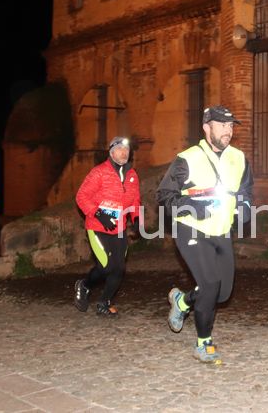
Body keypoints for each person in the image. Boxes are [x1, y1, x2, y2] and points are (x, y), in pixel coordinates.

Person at [157, 105, 254, 364]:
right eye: (222, 125)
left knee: (222, 293)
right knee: (210, 284)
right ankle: (203, 343)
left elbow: (245, 189)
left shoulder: (239, 158)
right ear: (206, 128)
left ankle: (183, 301)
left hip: (221, 230)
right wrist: (193, 207)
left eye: (230, 126)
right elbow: (164, 196)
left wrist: (245, 206)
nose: (228, 131)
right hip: (191, 228)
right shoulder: (187, 159)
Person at [74, 137, 141, 317]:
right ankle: (84, 285)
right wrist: (98, 214)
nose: (124, 152)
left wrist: (136, 218)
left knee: (119, 268)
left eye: (126, 149)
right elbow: (81, 197)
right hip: (97, 227)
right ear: (111, 152)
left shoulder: (132, 175)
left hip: (119, 229)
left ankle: (104, 302)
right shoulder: (99, 173)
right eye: (119, 149)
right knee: (105, 267)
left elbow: (135, 200)